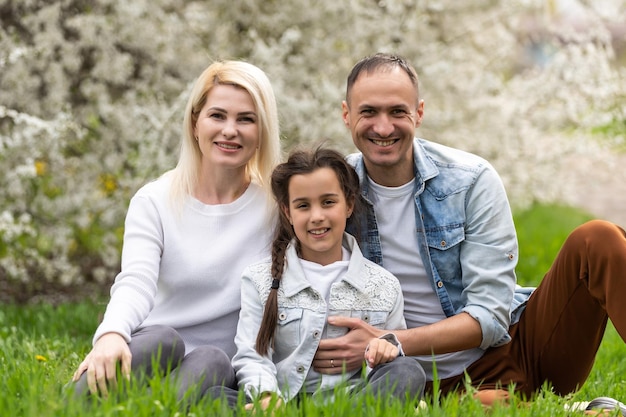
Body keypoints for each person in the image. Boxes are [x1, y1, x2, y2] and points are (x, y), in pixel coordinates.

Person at [312, 52, 626, 405]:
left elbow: (491, 316)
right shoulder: (328, 194)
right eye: (368, 112)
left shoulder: (470, 180)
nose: (383, 127)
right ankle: (575, 411)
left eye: (398, 111)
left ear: (418, 113)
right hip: (413, 381)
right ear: (346, 114)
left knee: (598, 239)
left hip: (514, 350)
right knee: (488, 406)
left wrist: (390, 338)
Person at [69, 60, 282, 403]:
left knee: (212, 357)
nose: (230, 130)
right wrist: (111, 333)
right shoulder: (154, 200)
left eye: (246, 119)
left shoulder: (276, 208)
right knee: (164, 339)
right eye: (217, 116)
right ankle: (66, 405)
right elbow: (136, 280)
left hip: (218, 369)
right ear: (195, 122)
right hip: (154, 352)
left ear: (262, 130)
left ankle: (153, 409)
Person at [213, 147, 425, 411]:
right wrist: (267, 397)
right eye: (303, 205)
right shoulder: (259, 279)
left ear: (348, 204)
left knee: (408, 371)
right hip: (285, 405)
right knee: (213, 395)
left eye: (328, 202)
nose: (317, 217)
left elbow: (388, 357)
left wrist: (384, 351)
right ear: (288, 213)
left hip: (352, 404)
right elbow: (252, 355)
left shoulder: (384, 285)